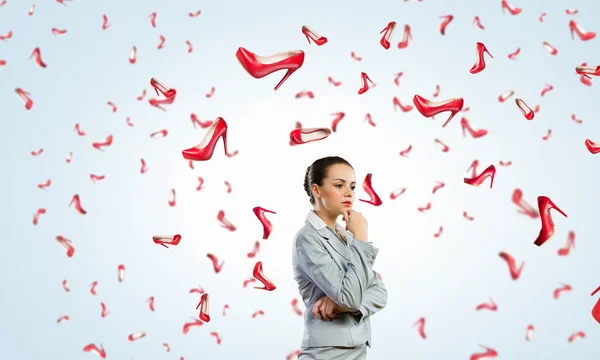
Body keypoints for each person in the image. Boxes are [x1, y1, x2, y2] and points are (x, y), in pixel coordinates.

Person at [292, 156, 387, 360]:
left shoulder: (347, 235)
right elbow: (351, 298)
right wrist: (361, 238)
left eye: (352, 186)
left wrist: (337, 303)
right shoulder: (307, 238)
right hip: (325, 353)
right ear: (316, 190)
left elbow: (380, 292)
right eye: (339, 185)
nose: (348, 193)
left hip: (357, 349)